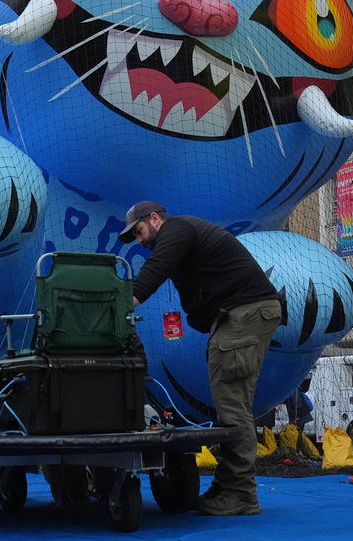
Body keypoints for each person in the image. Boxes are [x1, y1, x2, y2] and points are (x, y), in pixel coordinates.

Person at [118, 201, 281, 517]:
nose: (139, 241)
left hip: (244, 313)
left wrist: (120, 302)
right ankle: (228, 486)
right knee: (231, 402)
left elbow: (155, 271)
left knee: (233, 405)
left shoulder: (178, 229)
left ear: (154, 219)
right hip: (245, 313)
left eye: (138, 232)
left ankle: (241, 494)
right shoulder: (184, 237)